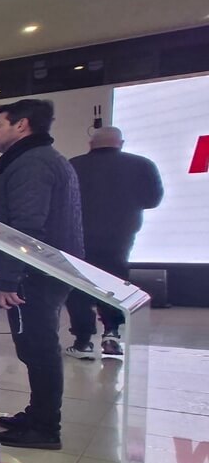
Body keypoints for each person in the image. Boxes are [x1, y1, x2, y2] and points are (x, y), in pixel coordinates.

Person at [0, 99, 83, 450]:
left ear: (21, 125)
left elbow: (25, 229)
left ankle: (45, 428)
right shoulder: (42, 158)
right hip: (43, 270)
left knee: (39, 348)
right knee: (35, 347)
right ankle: (38, 414)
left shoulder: (31, 164)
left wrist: (9, 279)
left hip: (34, 274)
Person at [64, 125, 163, 360]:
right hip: (120, 236)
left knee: (78, 286)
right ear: (121, 143)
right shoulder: (142, 164)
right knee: (114, 283)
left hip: (79, 237)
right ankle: (112, 334)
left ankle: (83, 341)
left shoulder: (72, 165)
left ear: (91, 144)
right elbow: (153, 200)